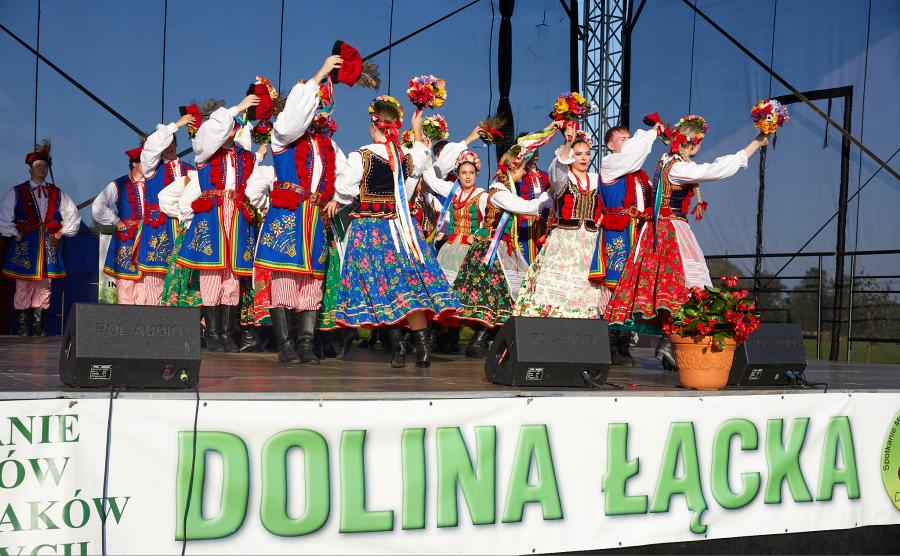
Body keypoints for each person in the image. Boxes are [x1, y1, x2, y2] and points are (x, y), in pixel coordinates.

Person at [603, 115, 768, 369]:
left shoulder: (666, 160)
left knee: (674, 288)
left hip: (663, 230)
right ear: (693, 143)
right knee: (689, 285)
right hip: (671, 231)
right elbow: (714, 170)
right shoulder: (678, 168)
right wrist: (754, 144)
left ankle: (672, 342)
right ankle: (671, 342)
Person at [326, 96, 460, 368]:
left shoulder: (361, 155)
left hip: (369, 229)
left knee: (377, 285)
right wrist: (418, 129)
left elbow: (345, 188)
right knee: (408, 284)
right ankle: (422, 348)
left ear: (373, 125)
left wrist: (336, 201)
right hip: (399, 228)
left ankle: (397, 341)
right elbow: (421, 160)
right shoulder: (401, 155)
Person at [247, 56, 350, 364]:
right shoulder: (282, 138)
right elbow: (292, 119)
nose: (317, 112)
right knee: (284, 280)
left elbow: (346, 175)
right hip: (288, 216)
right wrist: (318, 76)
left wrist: (337, 199)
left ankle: (306, 343)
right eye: (313, 106)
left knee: (311, 281)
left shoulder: (327, 146)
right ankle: (285, 345)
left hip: (314, 218)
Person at [176, 93, 263, 352]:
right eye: (226, 125)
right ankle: (212, 332)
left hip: (236, 215)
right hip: (213, 214)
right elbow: (210, 133)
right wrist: (237, 108)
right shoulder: (204, 152)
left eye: (232, 127)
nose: (228, 130)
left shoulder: (246, 157)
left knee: (232, 275)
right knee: (212, 272)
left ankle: (227, 332)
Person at [454, 146, 551, 357]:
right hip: (491, 250)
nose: (524, 173)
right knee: (492, 296)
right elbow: (527, 207)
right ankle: (476, 343)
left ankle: (488, 341)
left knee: (502, 296)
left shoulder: (504, 191)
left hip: (501, 249)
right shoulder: (499, 192)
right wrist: (549, 195)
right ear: (513, 169)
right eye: (522, 169)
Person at [514, 124, 606, 321]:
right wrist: (568, 142)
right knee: (559, 284)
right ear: (571, 156)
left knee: (585, 285)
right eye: (578, 154)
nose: (584, 158)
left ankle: (583, 324)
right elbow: (558, 166)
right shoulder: (563, 178)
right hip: (565, 240)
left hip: (589, 242)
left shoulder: (596, 179)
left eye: (587, 154)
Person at [588, 122, 661, 366]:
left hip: (638, 232)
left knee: (632, 288)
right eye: (623, 139)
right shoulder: (610, 164)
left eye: (630, 138)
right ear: (610, 145)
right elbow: (632, 155)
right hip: (618, 231)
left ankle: (623, 346)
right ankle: (609, 347)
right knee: (616, 286)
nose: (628, 143)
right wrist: (651, 133)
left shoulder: (639, 175)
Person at [0, 142, 81, 335]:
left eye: (45, 165)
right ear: (29, 168)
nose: (42, 168)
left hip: (48, 244)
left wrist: (61, 232)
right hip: (26, 244)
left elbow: (73, 215)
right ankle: (22, 326)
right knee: (23, 283)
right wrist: (15, 233)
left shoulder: (57, 192)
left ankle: (37, 325)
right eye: (38, 165)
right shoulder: (17, 191)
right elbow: (3, 215)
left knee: (45, 284)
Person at [422, 150, 487, 355]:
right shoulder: (453, 191)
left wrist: (478, 235)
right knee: (445, 292)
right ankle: (438, 336)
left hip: (470, 250)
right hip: (451, 249)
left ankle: (461, 337)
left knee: (466, 293)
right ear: (457, 175)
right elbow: (431, 180)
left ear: (476, 174)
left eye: (471, 173)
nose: (467, 176)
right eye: (464, 172)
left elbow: (488, 223)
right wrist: (425, 152)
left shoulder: (482, 196)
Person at [137, 113, 196, 305]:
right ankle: (154, 319)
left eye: (172, 143)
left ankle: (180, 318)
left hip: (183, 226)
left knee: (183, 275)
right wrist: (176, 125)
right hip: (158, 226)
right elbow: (150, 148)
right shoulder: (151, 167)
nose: (169, 147)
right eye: (166, 143)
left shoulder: (190, 170)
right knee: (155, 277)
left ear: (177, 145)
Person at [92, 147, 148, 304]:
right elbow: (98, 205)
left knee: (146, 287)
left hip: (148, 237)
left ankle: (147, 318)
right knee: (125, 286)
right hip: (127, 239)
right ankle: (127, 319)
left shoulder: (154, 182)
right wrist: (116, 220)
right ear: (134, 163)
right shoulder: (120, 183)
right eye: (144, 161)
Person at [515, 148, 551, 265]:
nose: (535, 156)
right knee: (524, 258)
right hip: (524, 225)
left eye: (537, 152)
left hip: (541, 224)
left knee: (540, 258)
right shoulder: (519, 176)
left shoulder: (545, 176)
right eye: (532, 153)